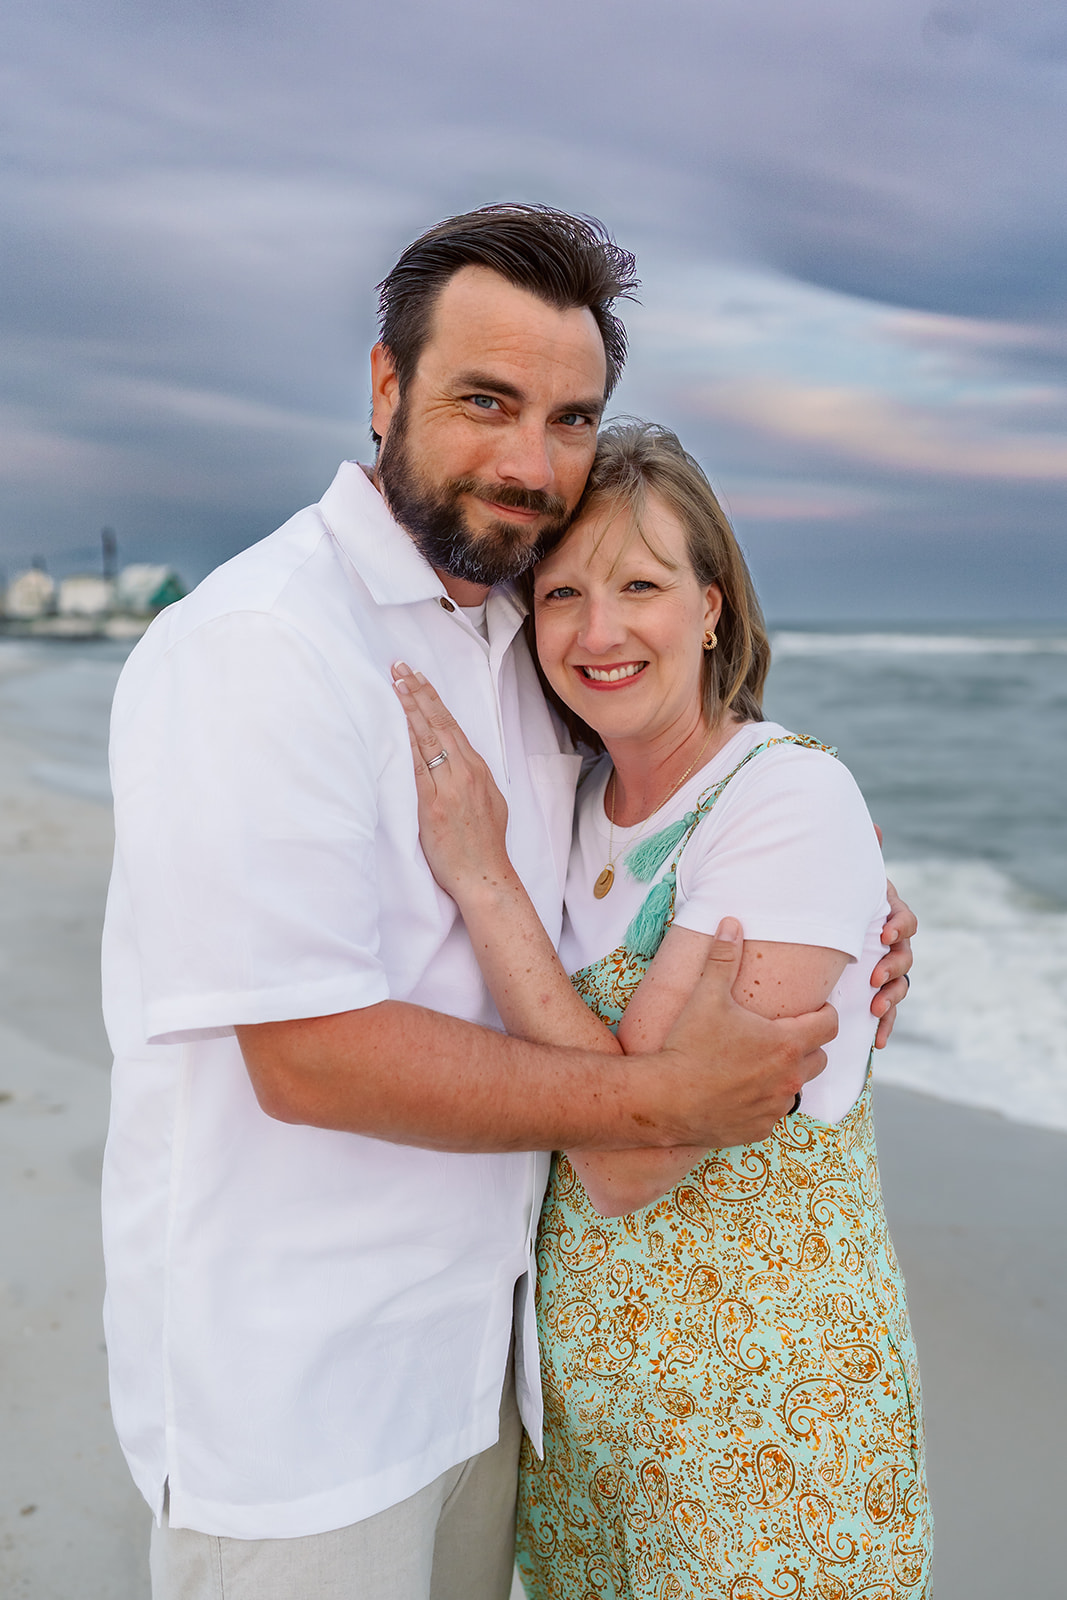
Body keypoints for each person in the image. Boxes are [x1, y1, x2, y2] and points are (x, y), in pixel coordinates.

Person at [101, 205, 915, 1600]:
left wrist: (842, 928)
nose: (530, 460)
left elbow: (660, 847)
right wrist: (667, 1101)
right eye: (486, 402)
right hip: (305, 1407)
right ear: (383, 387)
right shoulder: (260, 647)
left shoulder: (512, 637)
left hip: (504, 1381)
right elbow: (306, 1056)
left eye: (569, 416)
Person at [392, 419, 932, 1597]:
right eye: (561, 594)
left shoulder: (784, 797)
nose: (596, 631)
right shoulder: (565, 802)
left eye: (639, 584)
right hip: (587, 1439)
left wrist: (481, 880)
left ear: (711, 606)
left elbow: (630, 1158)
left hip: (768, 1430)